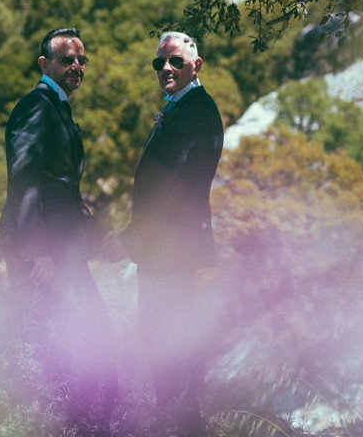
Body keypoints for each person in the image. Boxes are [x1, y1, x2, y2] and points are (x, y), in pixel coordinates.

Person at [0, 27, 117, 424]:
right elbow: (25, 177)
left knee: (85, 339)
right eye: (67, 59)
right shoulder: (37, 105)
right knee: (65, 344)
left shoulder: (57, 106)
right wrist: (37, 250)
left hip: (64, 249)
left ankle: (82, 423)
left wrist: (98, 235)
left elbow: (62, 186)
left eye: (82, 60)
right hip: (45, 254)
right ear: (45, 63)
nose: (77, 66)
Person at [116, 31, 224, 436]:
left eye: (175, 61)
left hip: (171, 253)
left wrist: (130, 239)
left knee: (169, 352)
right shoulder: (182, 107)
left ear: (196, 66)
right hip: (163, 252)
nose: (165, 68)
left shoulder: (197, 111)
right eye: (159, 62)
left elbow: (174, 190)